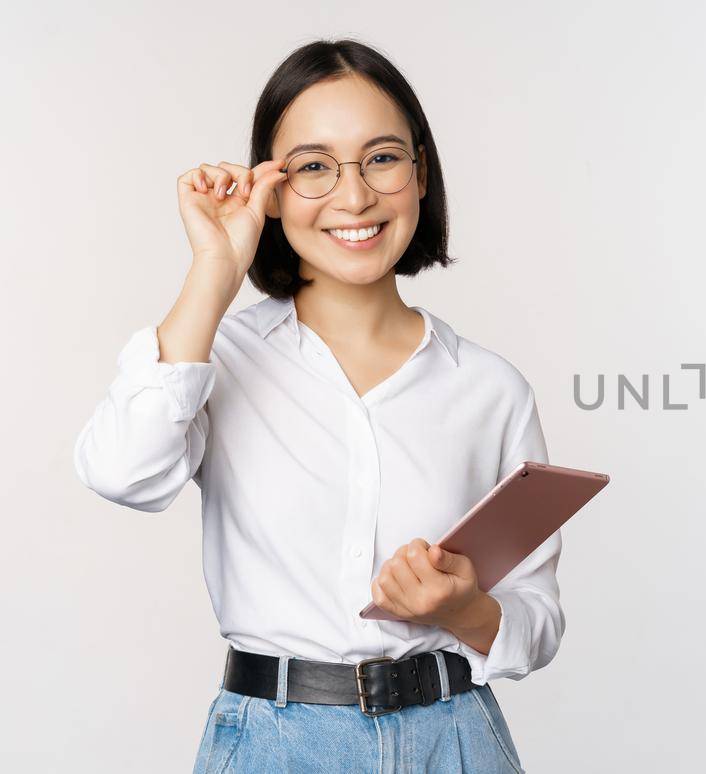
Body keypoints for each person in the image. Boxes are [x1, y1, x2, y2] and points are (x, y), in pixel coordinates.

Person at [72, 38, 559, 773]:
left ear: (420, 174)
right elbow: (121, 473)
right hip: (274, 744)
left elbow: (538, 619)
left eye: (384, 157)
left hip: (456, 741)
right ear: (271, 188)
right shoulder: (217, 355)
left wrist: (460, 611)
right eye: (313, 167)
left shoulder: (490, 389)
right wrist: (216, 268)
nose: (355, 196)